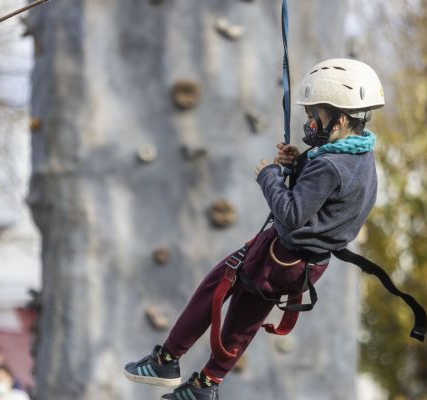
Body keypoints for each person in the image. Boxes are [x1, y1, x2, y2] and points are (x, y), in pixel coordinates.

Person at [123, 58, 385, 400]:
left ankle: (167, 359)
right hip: (306, 266)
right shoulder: (362, 162)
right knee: (247, 314)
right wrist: (301, 160)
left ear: (342, 118)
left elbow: (291, 212)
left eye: (316, 114)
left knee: (215, 286)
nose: (308, 121)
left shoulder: (330, 167)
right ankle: (206, 385)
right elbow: (329, 194)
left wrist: (269, 177)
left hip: (279, 253)